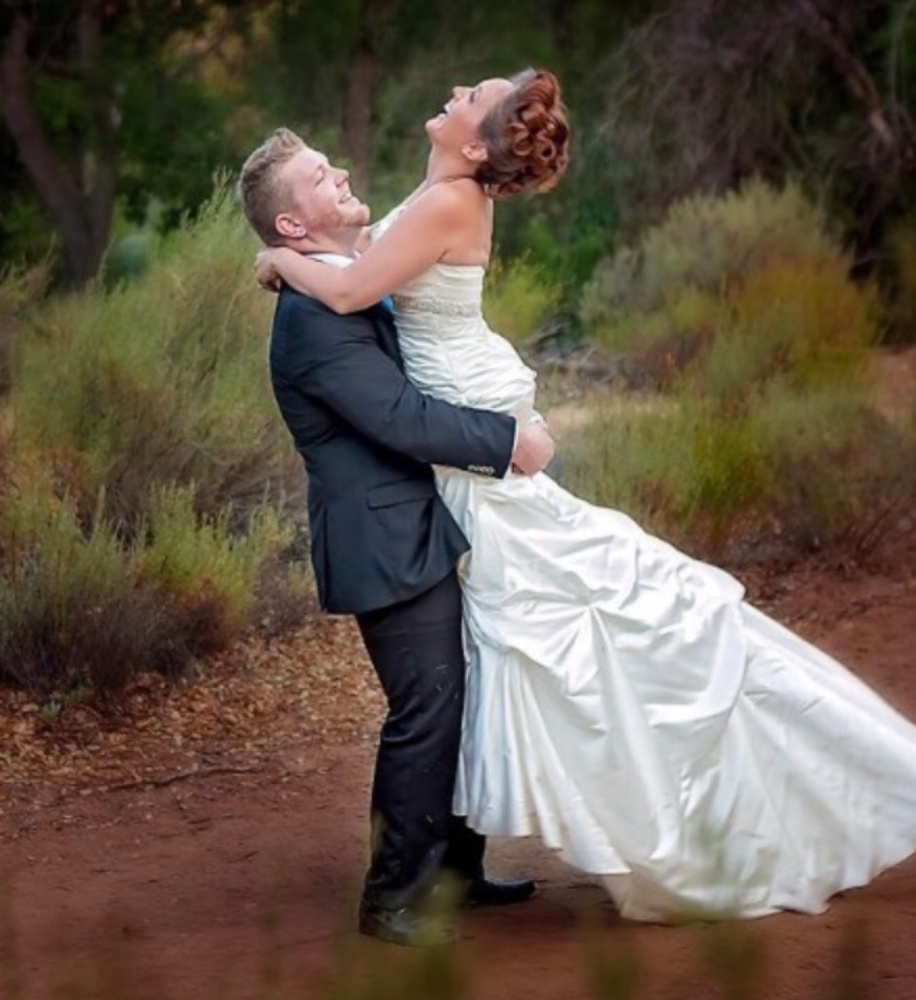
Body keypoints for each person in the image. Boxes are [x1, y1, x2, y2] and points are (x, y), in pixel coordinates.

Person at [254, 69, 916, 924]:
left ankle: (481, 862)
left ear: (477, 144)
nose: (454, 88)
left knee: (582, 628)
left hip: (468, 455)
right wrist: (297, 259)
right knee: (490, 668)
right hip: (440, 474)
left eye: (472, 93)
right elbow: (378, 359)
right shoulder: (422, 205)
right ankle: (420, 883)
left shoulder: (439, 208)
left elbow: (355, 300)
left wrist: (277, 257)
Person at [237, 127, 555, 946]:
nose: (339, 172)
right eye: (317, 177)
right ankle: (392, 900)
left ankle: (455, 869)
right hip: (383, 538)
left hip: (425, 519)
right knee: (426, 707)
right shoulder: (312, 319)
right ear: (293, 229)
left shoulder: (349, 275)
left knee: (467, 690)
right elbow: (398, 418)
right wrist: (505, 442)